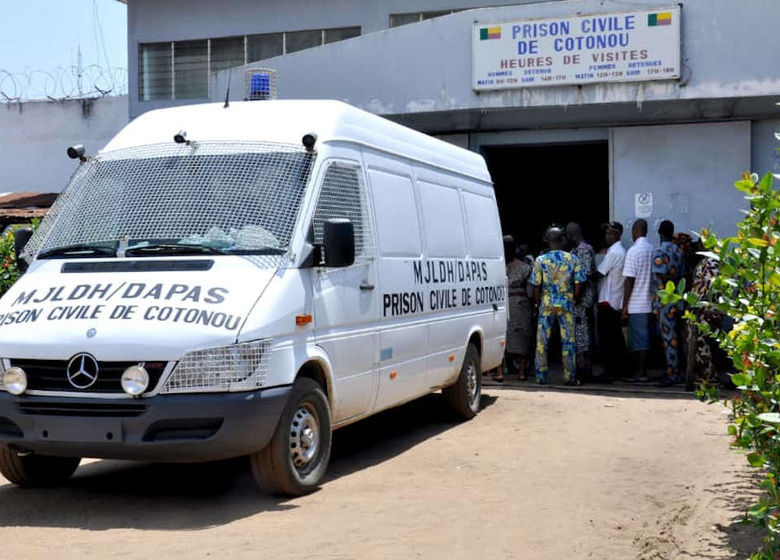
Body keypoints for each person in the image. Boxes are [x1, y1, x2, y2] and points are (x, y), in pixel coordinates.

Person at [530, 226, 585, 386]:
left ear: (548, 241)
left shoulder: (540, 260)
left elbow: (536, 285)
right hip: (566, 302)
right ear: (562, 240)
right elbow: (579, 282)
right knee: (568, 340)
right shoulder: (572, 258)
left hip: (546, 302)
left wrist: (536, 303)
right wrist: (573, 298)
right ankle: (570, 376)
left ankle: (540, 376)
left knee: (542, 340)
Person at [652, 220, 686, 386]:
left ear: (659, 232)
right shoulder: (678, 251)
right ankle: (676, 372)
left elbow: (660, 277)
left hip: (666, 301)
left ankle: (672, 374)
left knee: (668, 338)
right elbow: (683, 275)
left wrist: (658, 302)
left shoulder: (659, 252)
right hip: (678, 299)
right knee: (677, 337)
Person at [621, 219, 654, 382]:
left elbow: (629, 280)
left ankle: (640, 373)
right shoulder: (652, 249)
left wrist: (625, 305)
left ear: (634, 232)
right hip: (650, 303)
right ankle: (642, 371)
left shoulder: (633, 251)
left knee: (639, 340)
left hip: (637, 303)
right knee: (645, 338)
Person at [594, 222, 626, 382]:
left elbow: (599, 273)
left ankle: (610, 372)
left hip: (608, 302)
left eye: (611, 233)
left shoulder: (613, 252)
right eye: (607, 233)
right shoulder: (619, 251)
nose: (608, 236)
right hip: (615, 301)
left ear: (618, 235)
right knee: (614, 339)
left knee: (608, 340)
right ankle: (616, 371)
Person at [566, 222, 596, 380]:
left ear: (571, 235)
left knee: (582, 335)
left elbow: (583, 278)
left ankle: (584, 371)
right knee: (578, 336)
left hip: (582, 301)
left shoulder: (584, 250)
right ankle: (580, 369)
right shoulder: (575, 251)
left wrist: (576, 298)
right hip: (578, 300)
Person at [503, 235, 534, 381]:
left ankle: (499, 372)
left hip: (502, 305)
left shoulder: (496, 267)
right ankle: (521, 372)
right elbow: (530, 291)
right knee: (522, 337)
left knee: (503, 337)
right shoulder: (525, 268)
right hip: (520, 305)